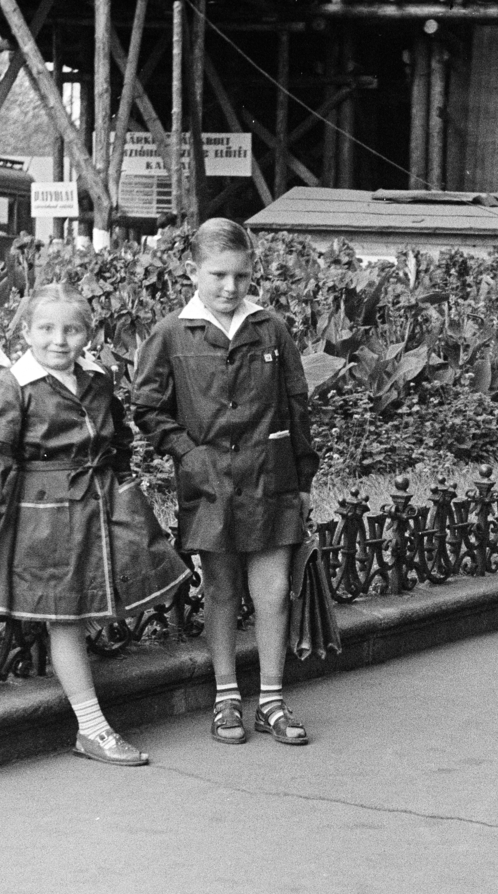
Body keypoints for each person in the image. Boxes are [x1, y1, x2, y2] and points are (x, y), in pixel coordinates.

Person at [0, 283, 190, 766]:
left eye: (71, 329)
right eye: (46, 328)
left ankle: (91, 716)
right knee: (66, 619)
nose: (58, 340)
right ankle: (93, 728)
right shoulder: (11, 385)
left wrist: (122, 481)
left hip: (101, 505)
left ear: (87, 333)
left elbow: (118, 435)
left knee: (112, 596)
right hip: (44, 516)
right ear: (27, 331)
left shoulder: (97, 379)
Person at [131, 219, 319, 746]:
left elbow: (296, 402)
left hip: (271, 477)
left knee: (275, 591)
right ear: (192, 272)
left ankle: (273, 701)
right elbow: (147, 406)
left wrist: (303, 476)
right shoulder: (171, 333)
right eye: (217, 274)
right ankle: (226, 699)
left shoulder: (271, 327)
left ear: (253, 272)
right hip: (209, 484)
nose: (230, 287)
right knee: (220, 590)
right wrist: (188, 455)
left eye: (241, 275)